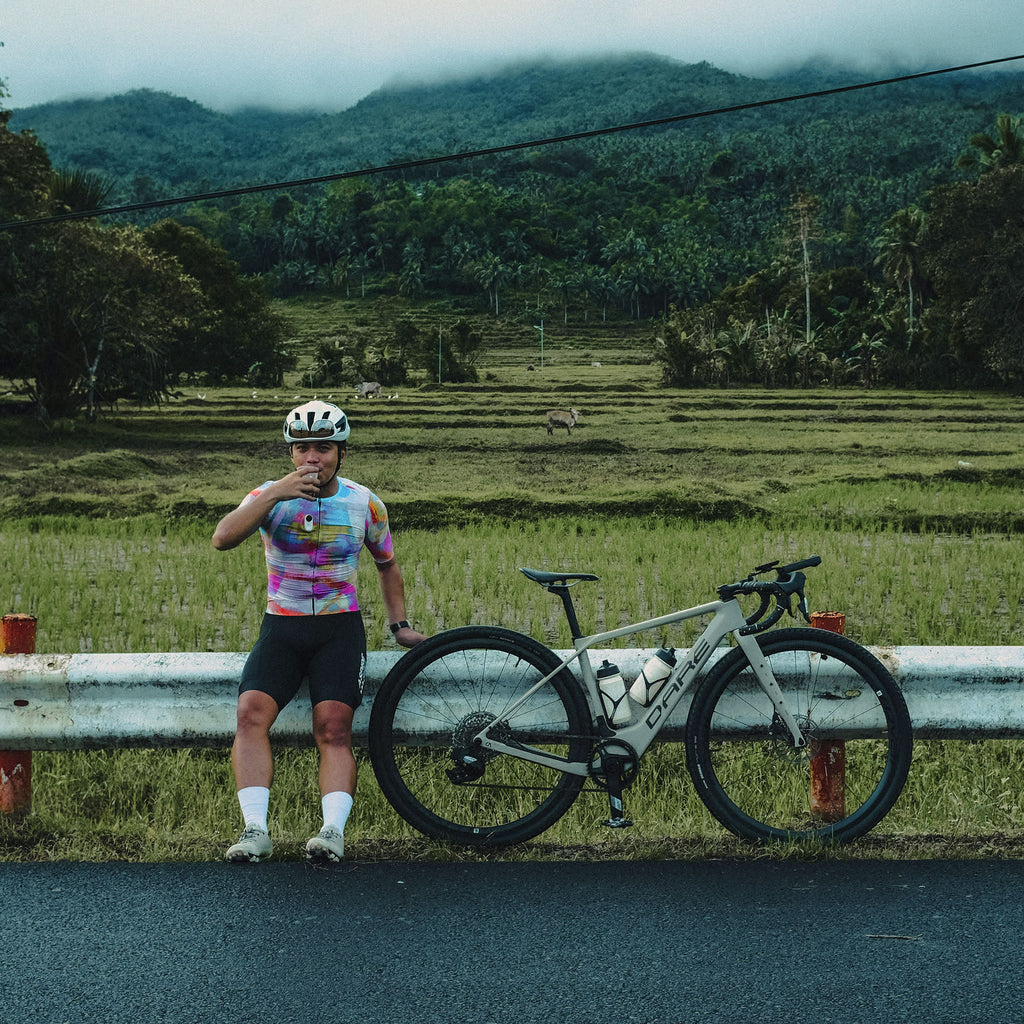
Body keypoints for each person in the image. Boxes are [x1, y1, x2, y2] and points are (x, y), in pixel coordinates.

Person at [213, 399, 425, 863]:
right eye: (302, 447)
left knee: (333, 728)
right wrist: (275, 494)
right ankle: (255, 832)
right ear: (290, 453)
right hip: (282, 627)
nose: (313, 457)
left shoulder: (363, 502)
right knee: (250, 714)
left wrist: (401, 626)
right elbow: (222, 538)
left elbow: (387, 565)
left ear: (341, 453)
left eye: (324, 448)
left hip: (339, 629)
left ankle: (331, 833)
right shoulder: (267, 497)